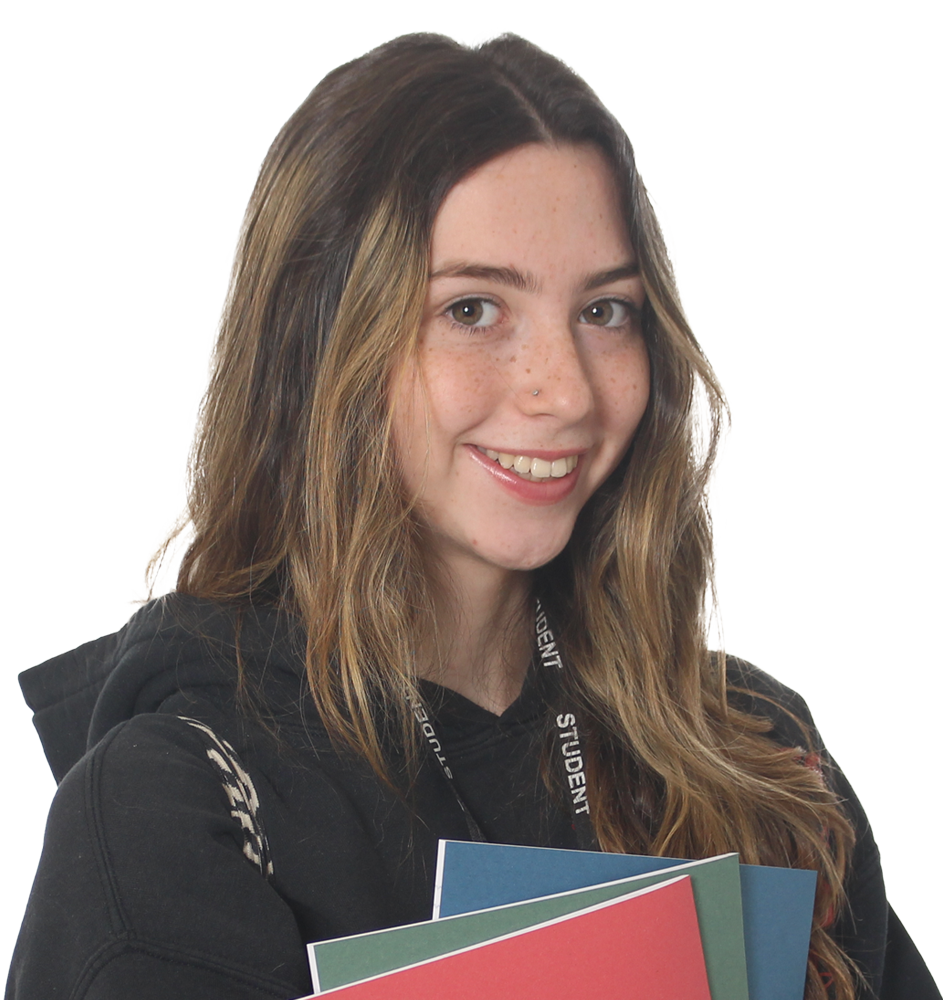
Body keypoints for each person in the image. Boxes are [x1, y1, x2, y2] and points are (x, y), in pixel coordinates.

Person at [8, 31, 939, 1000]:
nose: (564, 390)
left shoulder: (751, 747)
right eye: (473, 309)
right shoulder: (180, 800)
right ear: (315, 340)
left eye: (605, 310)